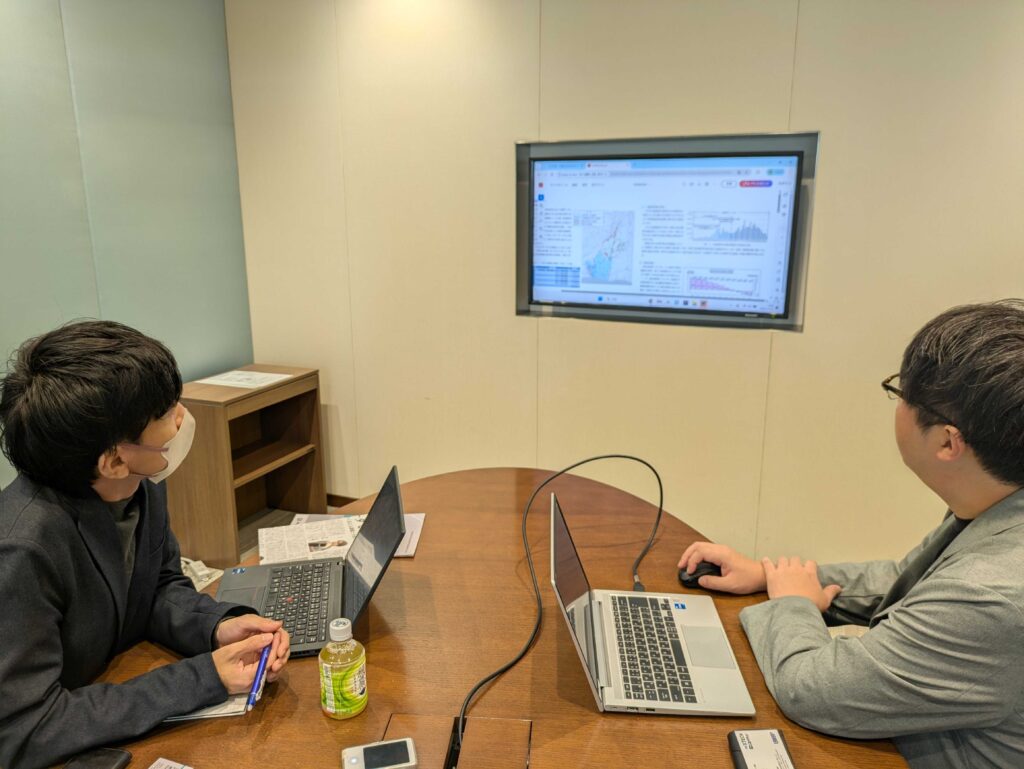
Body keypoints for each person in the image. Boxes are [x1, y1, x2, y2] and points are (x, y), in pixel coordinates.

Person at [679, 300, 1024, 769]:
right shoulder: (996, 498)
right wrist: (770, 574)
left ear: (948, 441)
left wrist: (792, 603)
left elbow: (810, 689)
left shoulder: (990, 597)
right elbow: (908, 581)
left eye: (901, 391)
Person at [0, 320, 292, 769]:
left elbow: (157, 588)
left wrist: (218, 626)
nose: (181, 416)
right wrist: (203, 677)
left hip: (111, 682)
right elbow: (27, 728)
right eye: (165, 413)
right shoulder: (21, 551)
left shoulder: (140, 480)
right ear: (115, 459)